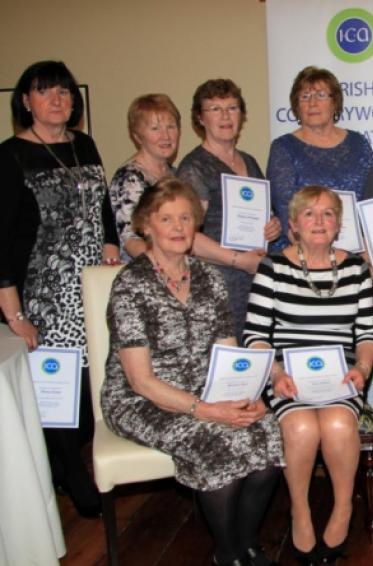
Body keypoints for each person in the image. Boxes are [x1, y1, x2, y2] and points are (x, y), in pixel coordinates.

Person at [102, 178, 282, 566]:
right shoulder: (130, 284)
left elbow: (227, 350)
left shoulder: (208, 277)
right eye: (167, 219)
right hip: (142, 400)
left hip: (207, 387)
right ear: (146, 225)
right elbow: (140, 380)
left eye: (186, 218)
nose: (179, 227)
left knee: (268, 438)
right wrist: (206, 410)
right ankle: (227, 553)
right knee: (219, 450)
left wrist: (246, 395)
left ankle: (248, 542)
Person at [0, 60, 120, 517]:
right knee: (62, 390)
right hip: (45, 294)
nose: (58, 100)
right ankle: (72, 473)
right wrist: (15, 315)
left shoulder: (83, 144)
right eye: (46, 91)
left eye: (66, 92)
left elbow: (104, 207)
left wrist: (110, 245)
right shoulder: (9, 156)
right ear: (26, 101)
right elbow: (2, 240)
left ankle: (68, 462)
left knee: (96, 382)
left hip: (92, 288)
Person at [243, 186, 373, 564]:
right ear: (293, 226)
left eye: (328, 214)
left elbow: (366, 333)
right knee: (302, 428)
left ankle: (341, 510)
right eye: (309, 214)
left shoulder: (354, 269)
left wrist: (363, 368)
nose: (319, 221)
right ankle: (300, 512)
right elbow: (254, 335)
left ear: (338, 225)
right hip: (287, 375)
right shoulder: (272, 267)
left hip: (341, 376)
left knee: (337, 425)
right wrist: (274, 373)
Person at [177, 79, 281, 340]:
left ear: (241, 115)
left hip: (254, 280)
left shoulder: (249, 161)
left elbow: (263, 214)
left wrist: (272, 226)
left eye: (232, 108)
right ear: (200, 118)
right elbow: (186, 236)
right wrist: (237, 260)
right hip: (217, 283)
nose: (225, 116)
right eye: (214, 109)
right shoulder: (194, 168)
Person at [267, 66, 373, 252]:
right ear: (296, 106)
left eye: (320, 95)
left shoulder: (359, 143)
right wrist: (322, 259)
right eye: (305, 97)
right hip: (302, 256)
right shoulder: (283, 148)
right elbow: (286, 213)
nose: (312, 103)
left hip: (358, 255)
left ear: (335, 103)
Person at [109, 93, 181, 261]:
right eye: (155, 129)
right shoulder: (129, 178)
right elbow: (130, 239)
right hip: (145, 274)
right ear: (137, 136)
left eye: (171, 127)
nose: (166, 136)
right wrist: (166, 265)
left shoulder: (176, 174)